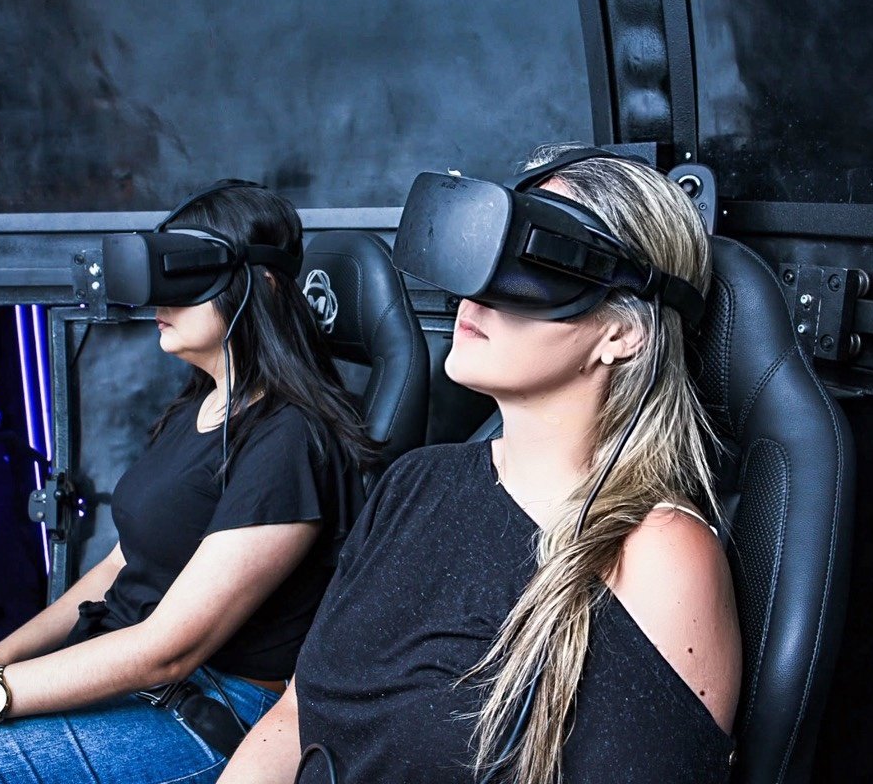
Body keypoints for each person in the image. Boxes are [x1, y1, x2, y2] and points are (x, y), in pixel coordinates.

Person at [220, 147, 743, 784]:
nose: (477, 291)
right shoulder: (416, 483)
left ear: (621, 333)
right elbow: (296, 713)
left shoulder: (655, 553)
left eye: (530, 259)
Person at [0, 182, 372, 783]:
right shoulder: (198, 406)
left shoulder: (290, 439)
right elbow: (118, 566)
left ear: (260, 286)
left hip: (202, 708)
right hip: (119, 672)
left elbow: (167, 650)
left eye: (182, 275)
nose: (158, 299)